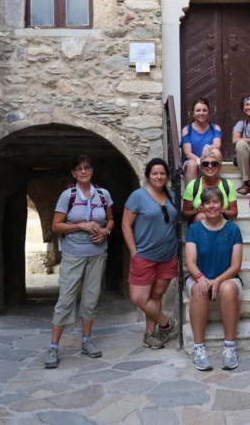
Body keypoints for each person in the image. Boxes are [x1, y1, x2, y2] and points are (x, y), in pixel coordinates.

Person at [44, 155, 114, 369]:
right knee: (66, 298)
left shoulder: (103, 194)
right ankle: (54, 346)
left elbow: (111, 218)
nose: (83, 171)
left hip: (97, 253)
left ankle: (86, 340)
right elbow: (56, 226)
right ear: (73, 173)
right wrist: (80, 226)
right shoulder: (68, 195)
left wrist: (105, 231)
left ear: (92, 170)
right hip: (73, 254)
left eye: (87, 167)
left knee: (91, 297)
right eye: (79, 168)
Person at [122, 158, 179, 349]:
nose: (159, 176)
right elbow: (125, 225)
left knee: (155, 296)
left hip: (167, 255)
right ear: (148, 176)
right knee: (139, 298)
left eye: (162, 173)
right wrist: (134, 252)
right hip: (144, 256)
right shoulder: (138, 196)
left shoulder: (171, 196)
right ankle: (166, 324)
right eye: (155, 173)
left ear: (167, 176)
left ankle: (150, 335)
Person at [185, 187, 243, 371]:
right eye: (208, 202)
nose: (212, 206)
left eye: (215, 202)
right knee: (199, 290)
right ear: (202, 206)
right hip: (200, 276)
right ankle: (199, 348)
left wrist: (217, 281)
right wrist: (201, 278)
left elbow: (235, 266)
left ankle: (229, 346)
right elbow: (190, 262)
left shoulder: (233, 230)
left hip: (227, 277)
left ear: (222, 204)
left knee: (227, 289)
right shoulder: (194, 229)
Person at [182, 148, 238, 222]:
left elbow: (234, 212)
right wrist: (196, 211)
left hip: (221, 227)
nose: (210, 166)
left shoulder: (227, 185)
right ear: (201, 167)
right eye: (205, 164)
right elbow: (184, 213)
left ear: (219, 166)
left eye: (214, 163)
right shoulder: (193, 185)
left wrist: (220, 210)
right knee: (201, 216)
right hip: (200, 227)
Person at [181, 97, 222, 184]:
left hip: (209, 161)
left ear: (208, 113)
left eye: (204, 110)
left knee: (216, 152)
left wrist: (207, 148)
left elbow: (217, 144)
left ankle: (212, 190)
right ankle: (191, 195)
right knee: (192, 164)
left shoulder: (215, 128)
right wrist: (201, 161)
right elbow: (187, 153)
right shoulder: (187, 129)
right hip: (193, 161)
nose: (201, 113)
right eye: (198, 110)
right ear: (193, 113)